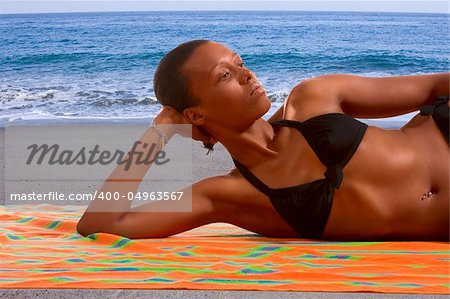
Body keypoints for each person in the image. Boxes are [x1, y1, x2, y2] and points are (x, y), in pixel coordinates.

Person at [77, 40, 449, 241]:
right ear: (194, 115)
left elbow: (433, 87)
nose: (247, 74)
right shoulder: (227, 195)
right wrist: (159, 131)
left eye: (240, 62)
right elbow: (100, 221)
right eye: (225, 75)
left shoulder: (314, 98)